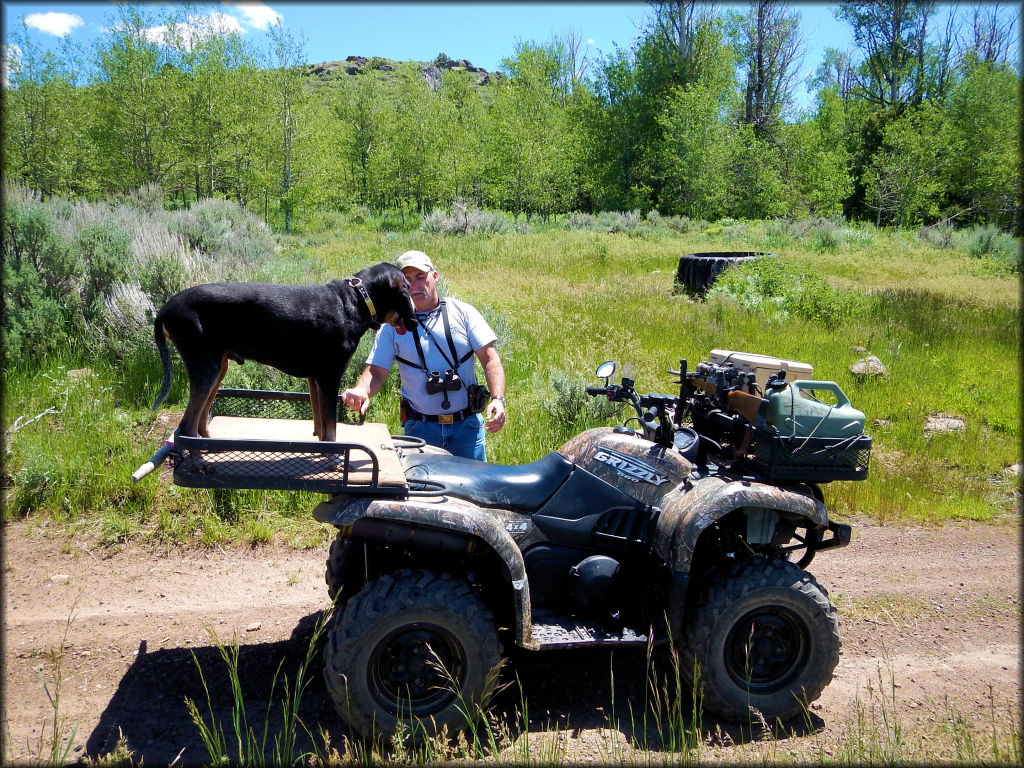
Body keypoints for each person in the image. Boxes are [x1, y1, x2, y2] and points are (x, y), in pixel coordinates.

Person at [342, 250, 506, 460]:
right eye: (407, 280)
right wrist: (361, 390)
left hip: (467, 428)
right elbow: (376, 371)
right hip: (420, 430)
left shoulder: (463, 313)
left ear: (434, 277)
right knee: (422, 490)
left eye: (420, 277)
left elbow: (490, 358)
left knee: (473, 491)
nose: (415, 284)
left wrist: (498, 400)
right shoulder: (392, 326)